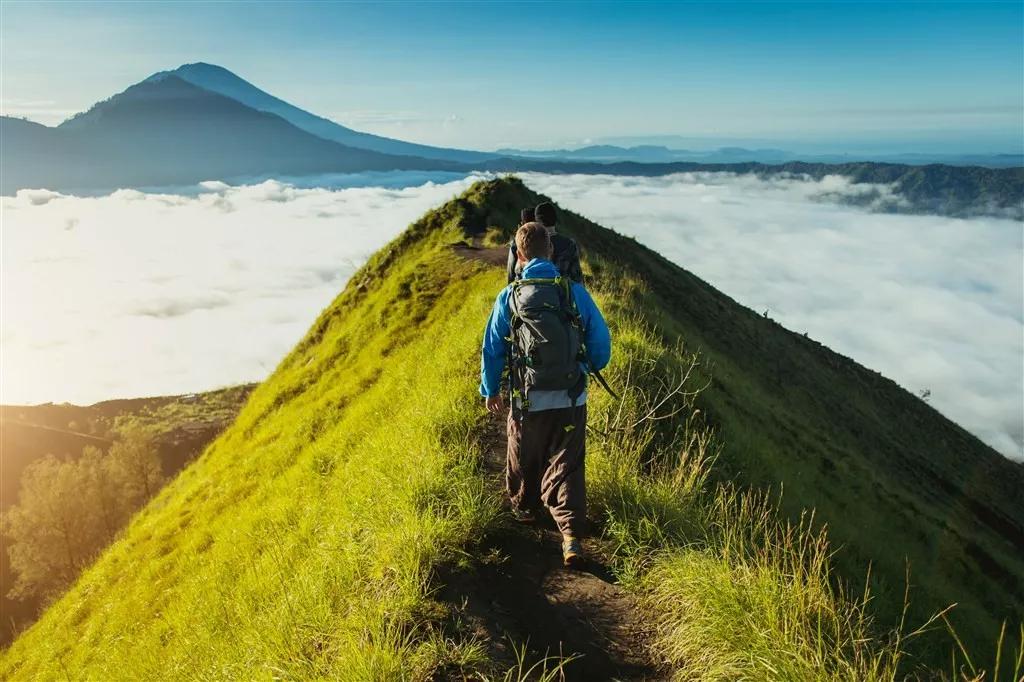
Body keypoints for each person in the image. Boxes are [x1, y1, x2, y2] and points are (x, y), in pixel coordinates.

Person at [482, 221, 612, 567]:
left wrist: (490, 389)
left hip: (528, 398)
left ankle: (525, 507)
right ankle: (570, 537)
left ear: (519, 255)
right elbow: (601, 342)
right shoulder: (572, 292)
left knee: (524, 448)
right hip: (571, 396)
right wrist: (588, 366)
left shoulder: (508, 297)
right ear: (551, 252)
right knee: (568, 462)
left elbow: (492, 348)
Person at [506, 202, 584, 284]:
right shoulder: (570, 245)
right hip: (561, 294)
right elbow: (577, 278)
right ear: (555, 219)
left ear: (537, 221)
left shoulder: (527, 242)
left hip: (527, 292)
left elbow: (513, 273)